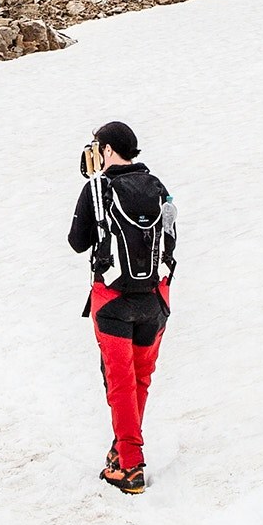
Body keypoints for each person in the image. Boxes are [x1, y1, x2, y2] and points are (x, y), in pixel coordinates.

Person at [67, 119, 178, 494]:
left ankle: (130, 466)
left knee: (119, 384)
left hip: (112, 303)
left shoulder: (98, 189)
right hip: (154, 303)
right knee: (138, 381)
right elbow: (170, 242)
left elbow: (77, 242)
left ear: (108, 150)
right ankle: (121, 453)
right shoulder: (157, 187)